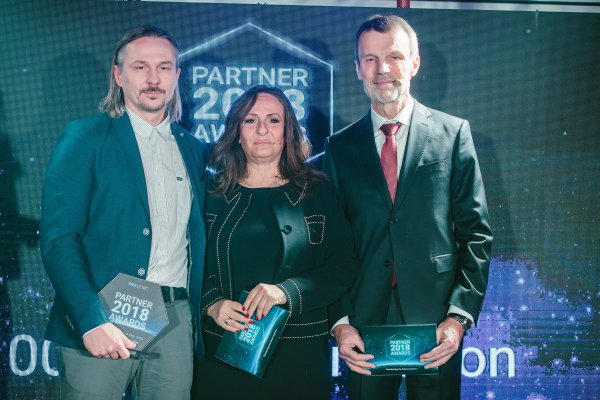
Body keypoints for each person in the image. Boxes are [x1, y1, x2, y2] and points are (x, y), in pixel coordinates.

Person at [324, 15, 493, 400]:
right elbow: (330, 244)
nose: (382, 69)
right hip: (364, 323)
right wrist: (341, 323)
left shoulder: (453, 134)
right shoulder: (339, 148)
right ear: (357, 69)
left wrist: (458, 318)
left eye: (394, 57)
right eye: (370, 59)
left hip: (437, 321)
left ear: (414, 64)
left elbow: (476, 235)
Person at [40, 25, 209, 399]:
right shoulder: (86, 137)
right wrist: (89, 320)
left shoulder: (194, 149)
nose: (153, 79)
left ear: (177, 75)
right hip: (104, 313)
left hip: (175, 316)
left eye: (164, 67)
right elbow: (59, 239)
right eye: (140, 67)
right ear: (118, 75)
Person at [194, 85, 358, 400]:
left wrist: (285, 292)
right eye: (250, 120)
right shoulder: (210, 192)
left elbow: (343, 265)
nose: (262, 130)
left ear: (288, 131)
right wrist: (211, 303)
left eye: (273, 120)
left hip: (298, 356)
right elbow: (187, 259)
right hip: (222, 350)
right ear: (236, 132)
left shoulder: (318, 192)